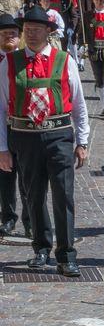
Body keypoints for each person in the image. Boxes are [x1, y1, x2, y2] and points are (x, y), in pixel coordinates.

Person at [0, 5, 90, 277]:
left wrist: (82, 141)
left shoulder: (65, 60)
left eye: (37, 30)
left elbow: (79, 105)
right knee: (33, 195)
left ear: (49, 32)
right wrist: (3, 148)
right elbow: (1, 107)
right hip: (24, 138)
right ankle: (40, 248)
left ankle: (66, 255)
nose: (32, 35)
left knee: (64, 196)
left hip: (59, 136)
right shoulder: (10, 62)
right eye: (27, 30)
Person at [0, 14, 31, 240]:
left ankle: (31, 220)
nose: (9, 37)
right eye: (4, 34)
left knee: (28, 177)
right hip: (1, 124)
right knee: (4, 176)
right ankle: (8, 218)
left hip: (23, 125)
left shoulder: (26, 59)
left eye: (13, 33)